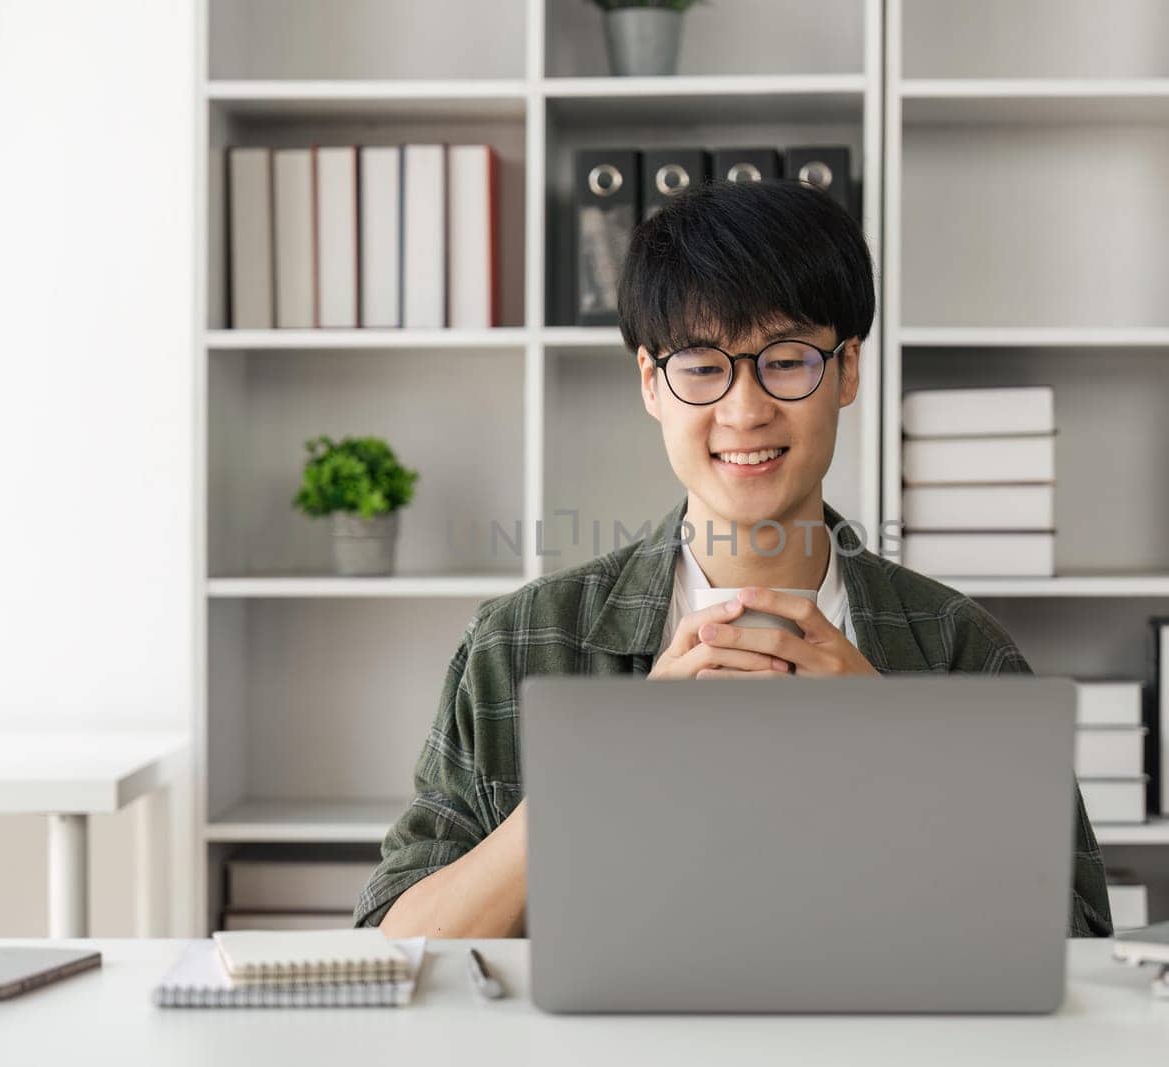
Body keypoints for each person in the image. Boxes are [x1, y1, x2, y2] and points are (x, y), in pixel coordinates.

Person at [353, 179, 1113, 938]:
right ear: (653, 384)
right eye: (702, 365)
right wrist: (599, 762)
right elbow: (394, 942)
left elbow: (1077, 945)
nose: (745, 410)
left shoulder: (959, 649)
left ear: (847, 370)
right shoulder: (518, 643)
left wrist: (896, 747)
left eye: (786, 360)